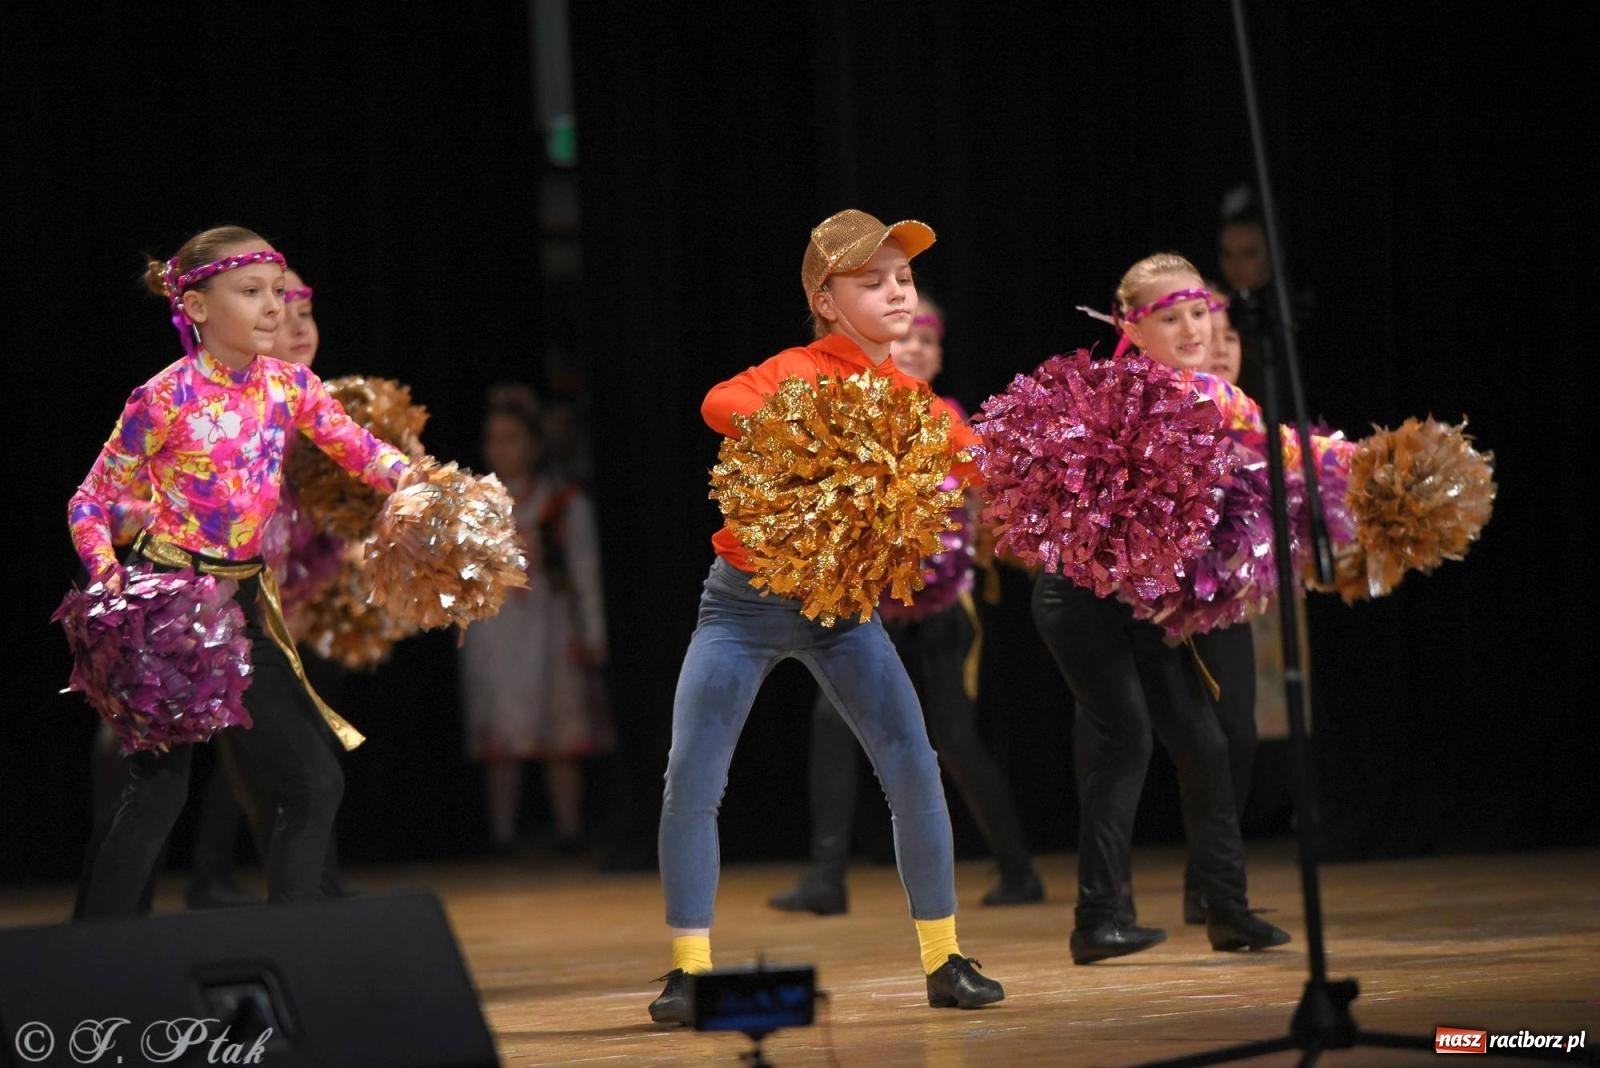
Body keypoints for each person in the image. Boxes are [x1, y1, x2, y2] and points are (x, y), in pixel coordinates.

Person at [649, 210, 1005, 1024]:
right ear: (826, 300)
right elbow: (718, 403)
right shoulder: (798, 369)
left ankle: (945, 959)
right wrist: (816, 433)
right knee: (693, 775)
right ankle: (688, 971)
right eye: (872, 282)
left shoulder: (914, 401)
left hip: (843, 615)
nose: (897, 292)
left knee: (914, 765)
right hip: (741, 607)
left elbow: (980, 461)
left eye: (904, 279)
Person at [68, 226, 413, 917]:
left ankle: (292, 946)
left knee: (315, 782)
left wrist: (416, 483)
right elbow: (90, 500)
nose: (274, 307)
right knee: (158, 795)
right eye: (251, 292)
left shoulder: (290, 385)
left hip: (248, 605)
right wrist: (107, 574)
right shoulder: (163, 397)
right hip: (169, 607)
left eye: (279, 292)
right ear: (197, 307)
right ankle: (93, 949)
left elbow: (362, 451)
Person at [1031, 252, 1295, 963]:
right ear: (1130, 326)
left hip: (1149, 601)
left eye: (1199, 313)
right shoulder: (1115, 397)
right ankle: (1098, 919)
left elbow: (1283, 467)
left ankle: (1226, 909)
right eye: (1171, 318)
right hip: (1082, 595)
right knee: (1125, 739)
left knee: (1206, 741)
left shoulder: (1225, 400)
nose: (1192, 330)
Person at [768, 294, 1042, 916]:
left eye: (928, 340)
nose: (916, 348)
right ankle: (827, 878)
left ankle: (1018, 869)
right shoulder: (853, 414)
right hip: (872, 607)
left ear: (939, 356)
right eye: (905, 338)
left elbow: (983, 500)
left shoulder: (950, 420)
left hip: (942, 609)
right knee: (832, 722)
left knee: (954, 737)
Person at [458, 384, 610, 856]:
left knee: (559, 727)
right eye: (493, 440)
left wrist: (593, 634)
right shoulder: (471, 504)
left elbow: (585, 571)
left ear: (534, 444)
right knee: (502, 730)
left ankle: (569, 832)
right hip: (497, 630)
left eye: (511, 439)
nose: (501, 449)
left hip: (550, 624)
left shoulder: (561, 502)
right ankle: (502, 836)